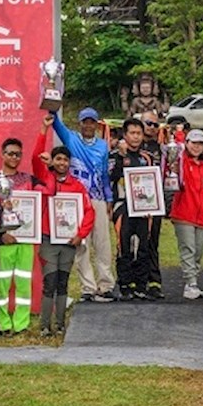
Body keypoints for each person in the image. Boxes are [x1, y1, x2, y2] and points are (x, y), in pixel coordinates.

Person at [32, 116, 95, 336]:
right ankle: (44, 326)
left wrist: (80, 235)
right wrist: (43, 129)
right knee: (49, 282)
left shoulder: (77, 186)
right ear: (53, 161)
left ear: (69, 163)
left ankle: (59, 325)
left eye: (65, 160)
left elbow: (89, 212)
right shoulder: (44, 178)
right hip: (48, 239)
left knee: (62, 282)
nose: (62, 163)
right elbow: (35, 158)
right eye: (58, 159)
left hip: (69, 241)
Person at [53, 108, 116, 303]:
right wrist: (52, 98)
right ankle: (88, 287)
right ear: (79, 123)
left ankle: (106, 285)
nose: (88, 126)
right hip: (77, 200)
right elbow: (55, 121)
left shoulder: (103, 145)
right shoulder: (71, 139)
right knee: (81, 244)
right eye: (85, 122)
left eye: (92, 122)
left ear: (97, 124)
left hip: (97, 198)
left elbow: (104, 174)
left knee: (103, 243)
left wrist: (109, 198)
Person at [0, 138, 42, 335]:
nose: (14, 157)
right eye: (10, 153)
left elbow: (48, 191)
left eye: (18, 154)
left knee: (24, 283)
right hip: (4, 240)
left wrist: (48, 165)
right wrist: (0, 234)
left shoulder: (28, 179)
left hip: (26, 238)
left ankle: (21, 323)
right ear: (2, 154)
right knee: (2, 284)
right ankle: (2, 323)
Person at [112, 118, 160, 301]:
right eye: (132, 133)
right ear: (125, 135)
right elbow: (111, 176)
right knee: (124, 246)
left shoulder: (147, 157)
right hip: (123, 205)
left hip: (143, 206)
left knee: (143, 246)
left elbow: (152, 181)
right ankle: (125, 285)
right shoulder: (115, 155)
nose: (136, 137)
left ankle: (141, 285)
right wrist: (121, 156)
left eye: (139, 133)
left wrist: (152, 205)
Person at [169, 129, 203, 299]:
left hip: (202, 215)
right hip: (184, 212)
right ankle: (191, 283)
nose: (196, 147)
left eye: (200, 143)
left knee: (198, 250)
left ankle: (192, 281)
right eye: (193, 143)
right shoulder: (181, 162)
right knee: (188, 248)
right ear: (187, 144)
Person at [139, 110, 168, 299]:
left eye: (155, 125)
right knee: (135, 241)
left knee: (152, 241)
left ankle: (154, 281)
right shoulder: (131, 145)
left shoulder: (162, 148)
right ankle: (135, 280)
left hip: (155, 200)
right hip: (135, 200)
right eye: (148, 123)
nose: (151, 127)